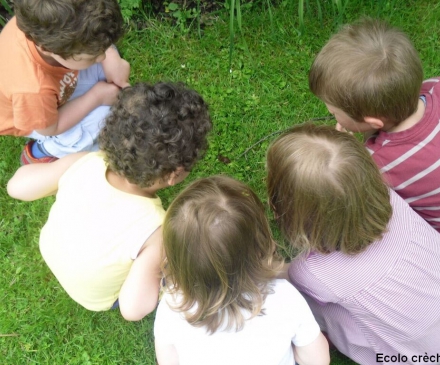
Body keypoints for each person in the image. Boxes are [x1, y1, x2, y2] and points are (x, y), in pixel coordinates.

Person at [7, 82, 212, 320]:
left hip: (52, 250)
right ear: (173, 174)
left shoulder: (86, 161)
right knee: (171, 269)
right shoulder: (156, 230)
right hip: (94, 296)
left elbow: (16, 187)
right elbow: (133, 309)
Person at [266, 123, 440, 364]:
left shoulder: (313, 272)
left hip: (422, 357)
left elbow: (281, 276)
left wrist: (264, 267)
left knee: (320, 305)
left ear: (290, 210)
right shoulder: (391, 199)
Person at [154, 175, 330, 365]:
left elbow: (168, 360)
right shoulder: (284, 296)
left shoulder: (173, 306)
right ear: (259, 245)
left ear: (178, 258)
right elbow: (317, 361)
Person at [308, 18, 440, 232]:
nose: (330, 114)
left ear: (372, 123)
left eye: (333, 112)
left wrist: (356, 153)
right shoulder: (435, 86)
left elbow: (362, 201)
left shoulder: (381, 162)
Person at [0, 0, 129, 163]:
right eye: (92, 56)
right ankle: (46, 150)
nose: (101, 57)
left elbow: (95, 42)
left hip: (54, 85)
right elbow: (50, 128)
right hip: (40, 119)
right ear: (47, 49)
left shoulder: (43, 25)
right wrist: (97, 97)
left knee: (105, 76)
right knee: (104, 119)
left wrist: (112, 57)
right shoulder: (32, 89)